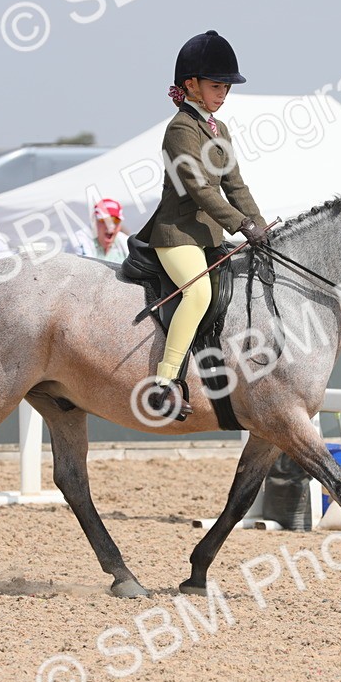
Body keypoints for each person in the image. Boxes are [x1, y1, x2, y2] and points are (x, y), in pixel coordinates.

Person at [135, 30, 269, 421]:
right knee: (197, 295)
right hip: (177, 235)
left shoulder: (218, 129)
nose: (223, 94)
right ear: (190, 85)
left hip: (207, 235)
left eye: (226, 87)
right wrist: (241, 224)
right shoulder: (180, 129)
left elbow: (234, 184)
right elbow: (197, 188)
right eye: (216, 86)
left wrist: (262, 228)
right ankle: (163, 384)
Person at [74, 198, 130, 263]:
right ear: (94, 222)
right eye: (104, 220)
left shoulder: (125, 241)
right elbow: (87, 269)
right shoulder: (79, 239)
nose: (110, 226)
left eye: (116, 220)